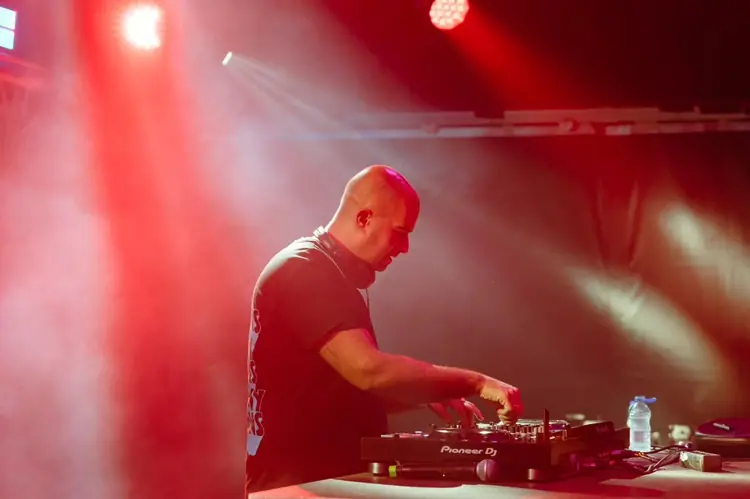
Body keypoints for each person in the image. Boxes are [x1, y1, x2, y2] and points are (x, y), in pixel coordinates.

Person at [245, 165, 522, 495]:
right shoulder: (305, 270)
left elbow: (338, 392)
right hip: (297, 487)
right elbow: (367, 370)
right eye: (400, 232)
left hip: (317, 483)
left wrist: (429, 393)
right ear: (364, 219)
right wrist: (476, 382)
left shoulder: (323, 270)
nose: (405, 247)